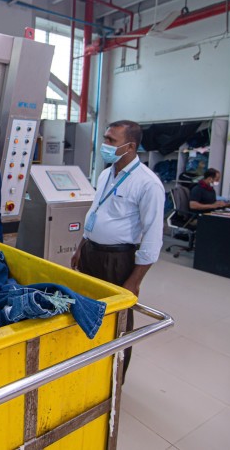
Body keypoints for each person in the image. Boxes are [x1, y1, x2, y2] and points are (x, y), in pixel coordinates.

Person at [70, 120, 165, 380]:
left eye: (111, 141)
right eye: (105, 138)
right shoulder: (105, 174)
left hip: (117, 259)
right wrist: (81, 246)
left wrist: (134, 281)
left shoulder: (148, 184)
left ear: (130, 146)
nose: (104, 145)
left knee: (118, 322)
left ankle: (115, 380)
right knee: (87, 310)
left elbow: (153, 237)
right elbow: (96, 213)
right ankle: (89, 368)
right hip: (91, 252)